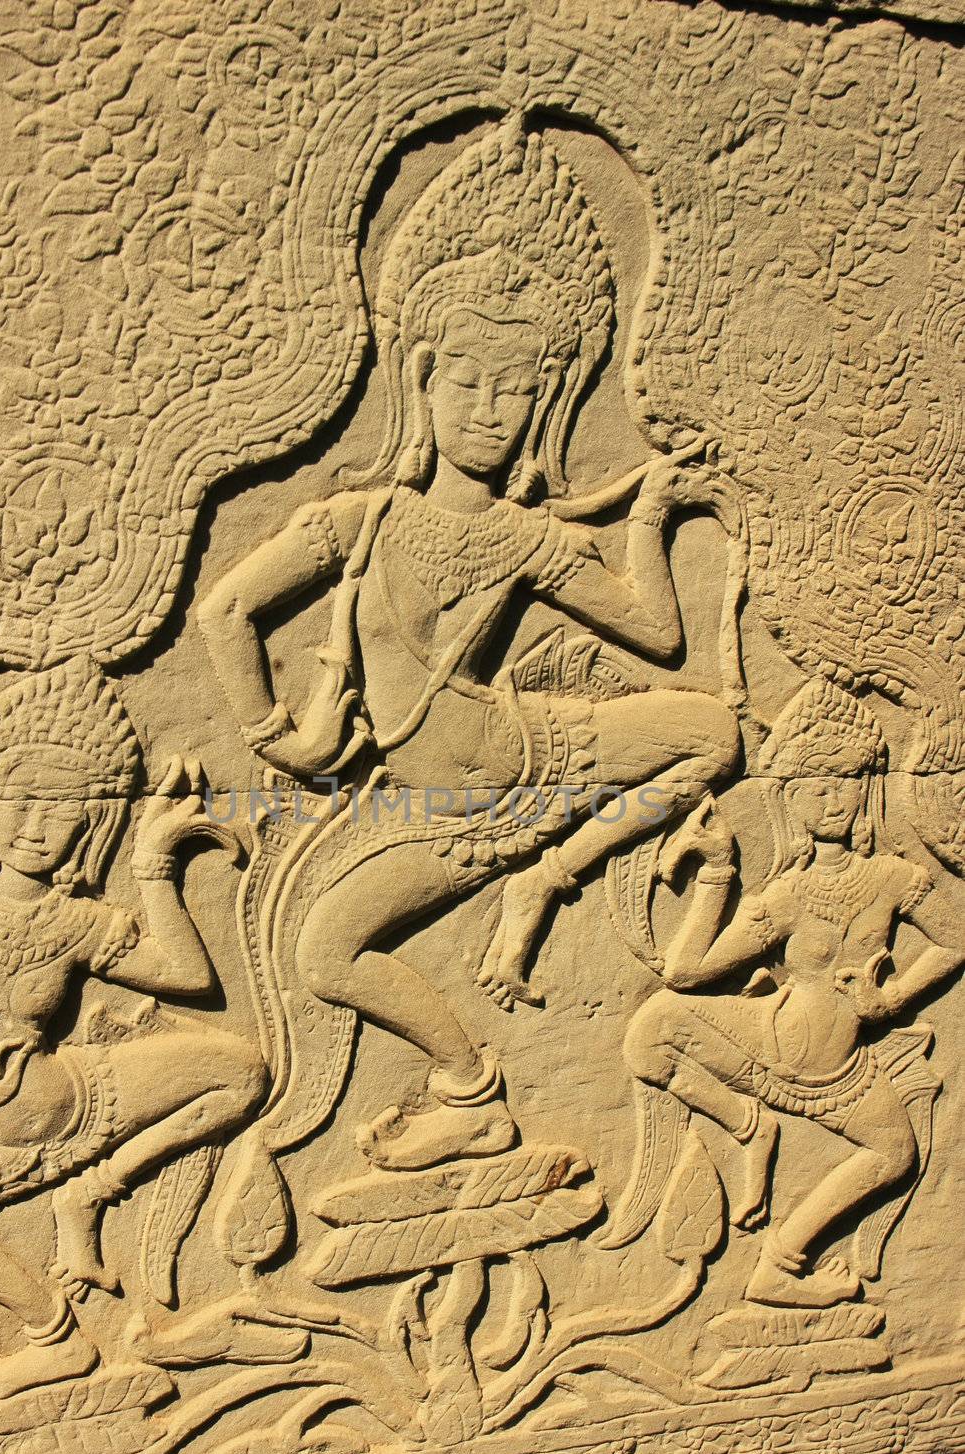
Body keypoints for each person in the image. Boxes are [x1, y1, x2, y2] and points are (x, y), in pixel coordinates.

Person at [200, 116, 738, 1173]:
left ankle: (551, 881)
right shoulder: (360, 522)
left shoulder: (528, 535)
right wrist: (272, 734)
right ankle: (469, 1090)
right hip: (438, 819)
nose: (491, 409)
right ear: (425, 380)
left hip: (529, 766)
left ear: (545, 398)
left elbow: (658, 633)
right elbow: (227, 613)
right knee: (322, 953)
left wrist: (649, 513)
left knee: (712, 732)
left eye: (517, 386)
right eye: (471, 382)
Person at [0, 659, 265, 1397]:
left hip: (81, 1099)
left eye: (63, 806)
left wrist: (155, 860)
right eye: (20, 801)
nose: (37, 827)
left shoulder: (76, 922)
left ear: (90, 821)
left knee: (240, 1069)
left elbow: (187, 978)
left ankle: (93, 1190)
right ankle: (53, 1335)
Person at [622, 679, 962, 1307]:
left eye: (848, 780)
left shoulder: (893, 878)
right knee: (649, 1033)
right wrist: (718, 869)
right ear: (791, 800)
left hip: (844, 1069)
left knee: (895, 1153)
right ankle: (749, 1124)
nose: (834, 799)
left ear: (868, 787)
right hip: (772, 1045)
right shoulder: (787, 898)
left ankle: (778, 1267)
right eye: (816, 786)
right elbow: (687, 971)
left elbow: (955, 938)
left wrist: (892, 1000)